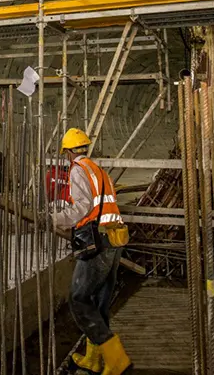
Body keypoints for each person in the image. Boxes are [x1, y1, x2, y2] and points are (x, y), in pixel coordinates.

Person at [51, 128, 132, 374]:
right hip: (115, 236)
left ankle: (116, 359)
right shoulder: (98, 171)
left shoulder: (78, 170)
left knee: (79, 298)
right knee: (99, 301)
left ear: (67, 152)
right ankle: (95, 359)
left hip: (99, 241)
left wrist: (55, 218)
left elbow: (83, 207)